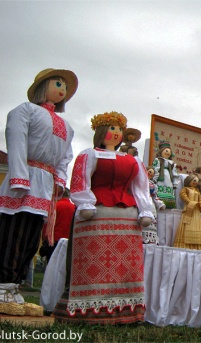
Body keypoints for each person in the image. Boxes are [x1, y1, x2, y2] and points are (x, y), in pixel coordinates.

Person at [53, 111, 155, 325]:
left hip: (127, 218)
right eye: (112, 129)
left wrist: (145, 210)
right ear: (101, 132)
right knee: (93, 260)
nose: (116, 133)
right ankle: (89, 309)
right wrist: (85, 203)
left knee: (125, 264)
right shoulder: (89, 155)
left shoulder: (132, 160)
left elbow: (141, 187)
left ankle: (126, 310)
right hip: (96, 213)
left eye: (119, 129)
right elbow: (81, 180)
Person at [0, 68, 77, 317]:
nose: (62, 89)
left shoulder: (67, 126)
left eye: (65, 87)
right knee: (13, 231)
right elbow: (16, 140)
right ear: (43, 86)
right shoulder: (24, 111)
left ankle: (15, 285)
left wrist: (60, 180)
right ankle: (3, 285)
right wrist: (19, 175)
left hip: (45, 183)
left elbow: (66, 156)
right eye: (57, 83)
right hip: (26, 176)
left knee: (32, 235)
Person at [39, 188, 76, 263]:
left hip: (53, 240)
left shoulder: (55, 206)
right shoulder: (74, 208)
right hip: (69, 241)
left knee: (51, 265)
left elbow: (47, 225)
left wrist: (44, 240)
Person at [173, 174, 201, 251]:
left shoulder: (197, 191)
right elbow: (183, 196)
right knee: (187, 225)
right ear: (189, 181)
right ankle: (185, 245)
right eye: (194, 180)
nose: (196, 182)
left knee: (196, 226)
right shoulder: (186, 189)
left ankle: (196, 246)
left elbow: (200, 200)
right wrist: (190, 202)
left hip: (196, 212)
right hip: (189, 210)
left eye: (197, 181)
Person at [151, 141, 180, 209]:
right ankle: (159, 201)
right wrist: (154, 179)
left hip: (168, 178)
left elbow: (174, 173)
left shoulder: (171, 163)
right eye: (166, 151)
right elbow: (155, 169)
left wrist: (175, 183)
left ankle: (169, 202)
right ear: (161, 151)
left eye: (169, 152)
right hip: (161, 177)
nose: (168, 153)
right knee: (160, 186)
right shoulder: (158, 160)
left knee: (168, 186)